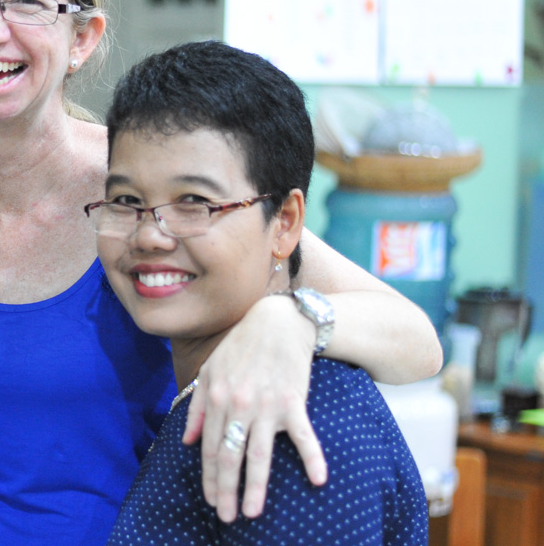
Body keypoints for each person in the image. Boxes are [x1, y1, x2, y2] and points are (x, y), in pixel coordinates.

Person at [0, 0, 443, 544]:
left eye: (27, 3)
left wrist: (290, 318)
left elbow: (416, 341)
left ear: (83, 36)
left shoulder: (149, 188)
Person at [98, 41, 428, 545]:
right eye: (126, 200)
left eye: (195, 202)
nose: (149, 235)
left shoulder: (290, 422)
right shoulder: (223, 388)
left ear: (285, 222)